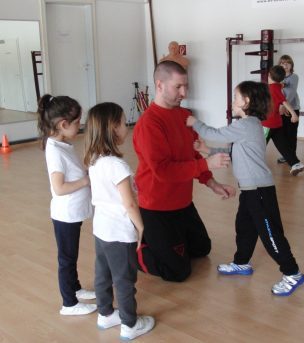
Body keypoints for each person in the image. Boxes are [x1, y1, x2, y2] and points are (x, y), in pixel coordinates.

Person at [186, 80, 304, 296]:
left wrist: (195, 122)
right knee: (245, 227)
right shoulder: (248, 126)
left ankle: (292, 272)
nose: (233, 101)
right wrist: (207, 150)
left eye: (236, 97)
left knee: (270, 234)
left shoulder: (246, 125)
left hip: (259, 191)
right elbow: (234, 154)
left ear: (247, 101)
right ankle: (241, 262)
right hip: (250, 190)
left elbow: (214, 133)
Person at [133, 60, 236, 282]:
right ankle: (131, 252)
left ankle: (167, 244)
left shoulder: (184, 115)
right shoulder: (149, 124)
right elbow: (163, 171)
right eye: (178, 87)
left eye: (186, 86)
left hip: (182, 202)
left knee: (202, 249)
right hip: (156, 207)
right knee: (177, 272)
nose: (184, 92)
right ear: (160, 85)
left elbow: (194, 154)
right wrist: (207, 165)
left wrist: (213, 183)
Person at [84, 102, 155, 341]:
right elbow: (130, 204)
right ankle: (129, 324)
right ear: (113, 128)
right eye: (124, 123)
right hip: (119, 232)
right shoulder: (117, 166)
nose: (127, 127)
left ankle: (105, 314)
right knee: (124, 279)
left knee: (102, 274)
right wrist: (141, 226)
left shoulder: (94, 160)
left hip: (101, 230)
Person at [37, 94, 96, 316]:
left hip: (74, 213)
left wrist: (86, 172)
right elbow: (59, 188)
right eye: (77, 121)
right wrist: (84, 180)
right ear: (63, 124)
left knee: (71, 255)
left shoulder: (62, 144)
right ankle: (69, 303)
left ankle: (76, 288)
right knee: (67, 258)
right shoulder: (54, 151)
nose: (80, 125)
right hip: (65, 215)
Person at [262, 65, 304, 176]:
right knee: (283, 145)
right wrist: (294, 114)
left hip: (268, 124)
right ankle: (296, 163)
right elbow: (282, 96)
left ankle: (254, 163)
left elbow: (284, 101)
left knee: (259, 144)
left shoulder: (272, 89)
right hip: (277, 123)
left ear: (269, 76)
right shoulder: (277, 87)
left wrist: (294, 114)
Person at [277, 55, 301, 164]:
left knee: (291, 133)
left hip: (292, 109)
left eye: (287, 63)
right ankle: (285, 155)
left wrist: (283, 106)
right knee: (282, 134)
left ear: (291, 65)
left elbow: (290, 94)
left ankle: (292, 157)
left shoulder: (294, 77)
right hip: (280, 109)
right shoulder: (277, 78)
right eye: (282, 63)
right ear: (279, 65)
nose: (285, 65)